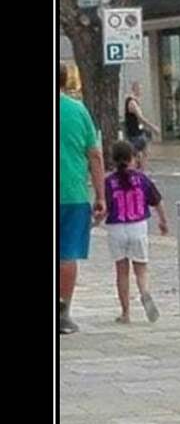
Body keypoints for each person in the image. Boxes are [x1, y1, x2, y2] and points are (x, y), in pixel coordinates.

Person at [59, 62, 106, 334]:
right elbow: (95, 155)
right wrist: (101, 196)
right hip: (73, 193)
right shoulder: (78, 110)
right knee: (67, 254)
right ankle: (63, 313)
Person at [104, 141, 169, 324]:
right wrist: (163, 221)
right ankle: (144, 292)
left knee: (121, 272)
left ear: (113, 160)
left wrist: (93, 222)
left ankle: (125, 312)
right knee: (141, 269)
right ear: (133, 158)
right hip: (138, 226)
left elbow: (103, 208)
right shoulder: (142, 179)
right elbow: (157, 201)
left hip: (116, 228)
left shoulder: (109, 182)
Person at [124, 82, 160, 170]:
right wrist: (153, 127)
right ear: (135, 89)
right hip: (134, 132)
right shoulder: (132, 102)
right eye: (140, 89)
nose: (141, 92)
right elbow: (141, 118)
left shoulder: (134, 101)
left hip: (136, 131)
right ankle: (140, 171)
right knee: (141, 152)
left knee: (142, 152)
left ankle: (138, 168)